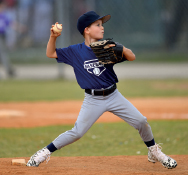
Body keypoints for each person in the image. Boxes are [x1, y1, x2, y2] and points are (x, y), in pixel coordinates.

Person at [27, 11, 177, 169]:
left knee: (141, 121)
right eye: (97, 25)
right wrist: (53, 37)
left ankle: (154, 152)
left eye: (102, 25)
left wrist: (120, 48)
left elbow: (132, 56)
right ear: (87, 30)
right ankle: (43, 153)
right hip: (93, 100)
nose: (102, 28)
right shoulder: (75, 51)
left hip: (113, 96)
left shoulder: (106, 47)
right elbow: (50, 53)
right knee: (77, 132)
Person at [0, 0, 15, 78]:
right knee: (3, 53)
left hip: (2, 35)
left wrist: (20, 28)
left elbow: (11, 23)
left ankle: (9, 69)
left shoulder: (4, 15)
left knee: (3, 53)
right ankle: (9, 69)